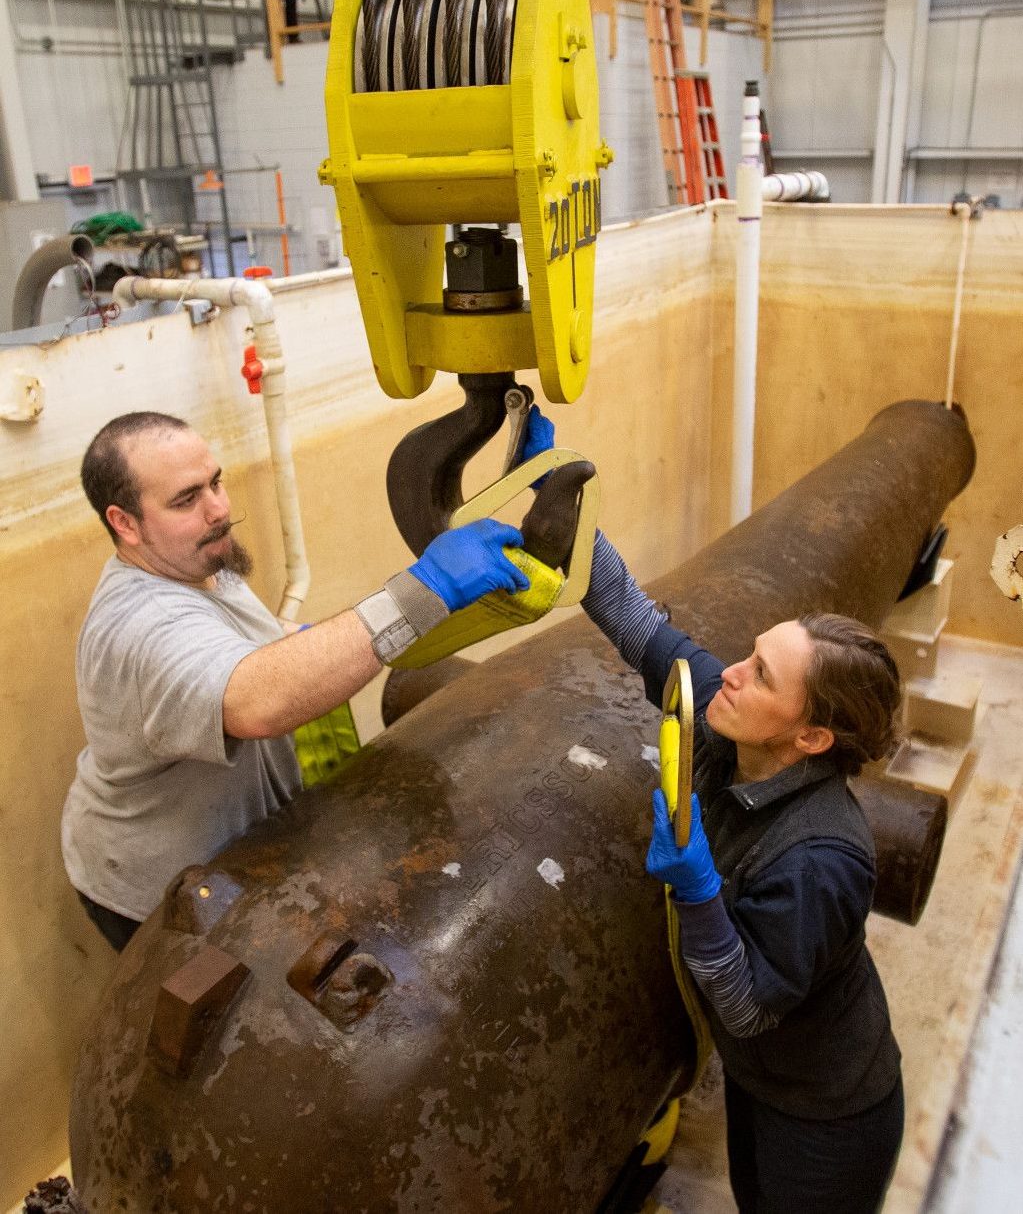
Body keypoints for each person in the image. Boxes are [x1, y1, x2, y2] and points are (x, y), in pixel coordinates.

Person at [524, 407, 905, 1214]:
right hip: (759, 1080)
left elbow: (746, 1004)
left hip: (828, 1108)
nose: (729, 673)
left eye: (761, 674)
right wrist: (569, 521)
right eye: (748, 656)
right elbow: (641, 628)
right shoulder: (726, 723)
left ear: (808, 736)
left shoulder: (822, 859)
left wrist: (698, 892)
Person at [62, 411, 529, 951]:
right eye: (185, 499)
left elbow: (244, 640)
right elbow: (257, 703)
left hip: (240, 844)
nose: (218, 509)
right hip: (157, 886)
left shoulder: (194, 559)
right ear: (124, 523)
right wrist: (426, 590)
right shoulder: (142, 625)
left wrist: (304, 639)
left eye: (215, 482)